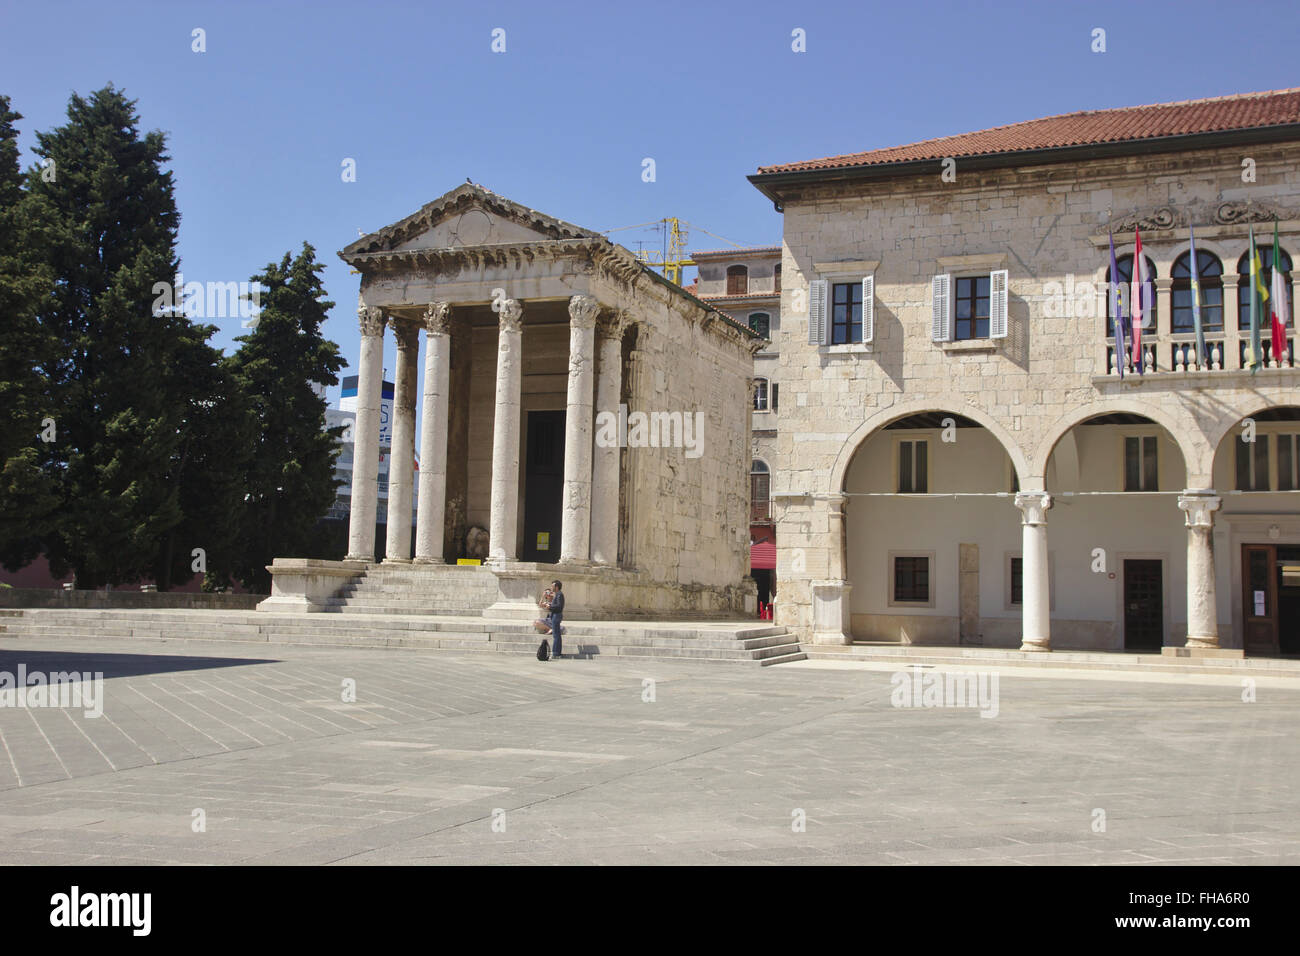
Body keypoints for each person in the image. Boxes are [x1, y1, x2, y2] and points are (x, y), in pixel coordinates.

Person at [544, 580, 565, 658]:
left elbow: (559, 606)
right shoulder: (557, 594)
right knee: (557, 635)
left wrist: (550, 607)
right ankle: (557, 652)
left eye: (552, 586)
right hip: (555, 615)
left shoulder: (559, 595)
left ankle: (556, 653)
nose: (551, 588)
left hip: (556, 616)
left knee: (556, 635)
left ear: (556, 587)